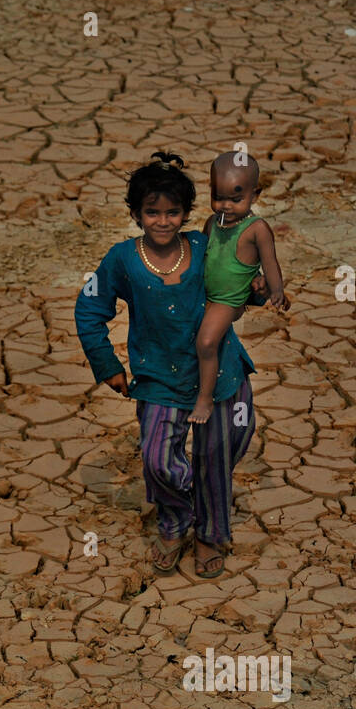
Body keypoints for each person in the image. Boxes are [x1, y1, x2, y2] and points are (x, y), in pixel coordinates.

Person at [74, 151, 271, 579]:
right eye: (152, 213)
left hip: (220, 375)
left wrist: (256, 290)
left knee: (219, 455)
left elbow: (235, 286)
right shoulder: (122, 259)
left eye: (172, 213)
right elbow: (89, 309)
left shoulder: (203, 248)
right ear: (135, 214)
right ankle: (176, 521)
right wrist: (107, 365)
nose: (162, 221)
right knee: (160, 461)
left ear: (185, 214)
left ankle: (209, 535)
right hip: (158, 378)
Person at [190, 151, 286, 424]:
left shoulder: (257, 229)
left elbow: (270, 263)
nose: (225, 206)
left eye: (236, 198)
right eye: (218, 197)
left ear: (255, 195)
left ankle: (205, 399)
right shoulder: (212, 223)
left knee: (206, 342)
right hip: (204, 294)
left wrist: (276, 290)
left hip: (228, 300)